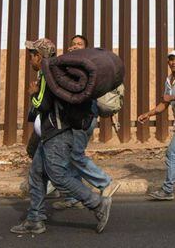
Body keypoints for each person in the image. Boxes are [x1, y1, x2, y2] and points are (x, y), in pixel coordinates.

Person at [10, 38, 112, 235]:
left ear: (39, 56)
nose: (30, 59)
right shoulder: (52, 72)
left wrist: (33, 93)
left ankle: (97, 204)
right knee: (37, 173)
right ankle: (35, 219)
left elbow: (43, 105)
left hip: (57, 134)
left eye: (31, 55)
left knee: (59, 176)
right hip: (51, 134)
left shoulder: (48, 74)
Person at [52, 35, 120, 210]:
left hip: (84, 117)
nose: (75, 47)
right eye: (73, 44)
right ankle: (74, 196)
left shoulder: (90, 68)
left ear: (87, 50)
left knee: (76, 155)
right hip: (73, 118)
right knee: (70, 155)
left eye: (79, 45)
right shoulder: (69, 66)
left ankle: (105, 182)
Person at [139, 50, 175, 200]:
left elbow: (168, 98)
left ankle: (167, 190)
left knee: (171, 154)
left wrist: (172, 96)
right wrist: (148, 113)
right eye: (171, 60)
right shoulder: (169, 80)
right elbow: (164, 104)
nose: (173, 62)